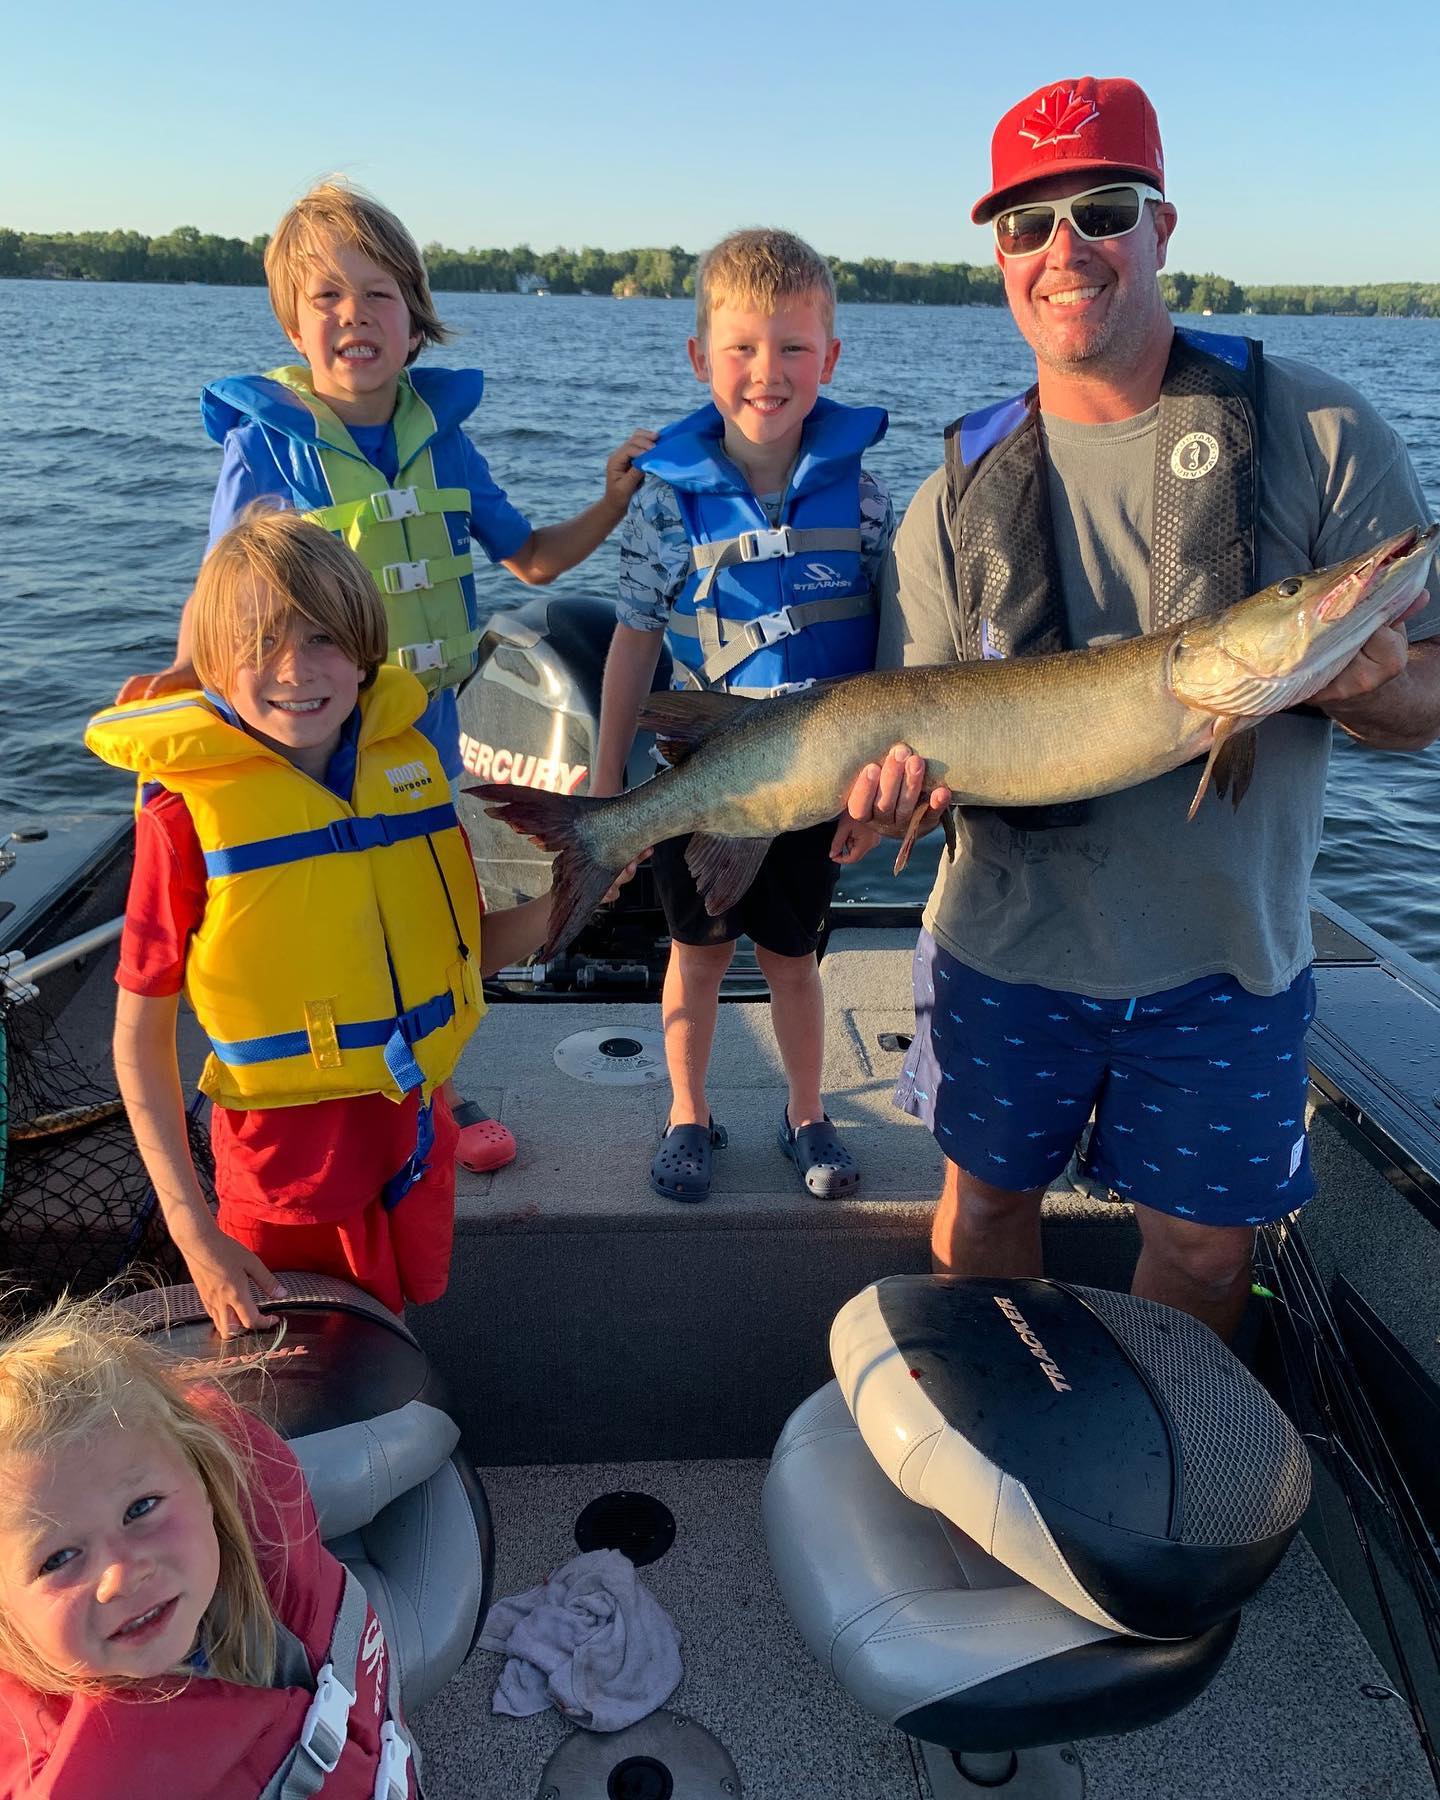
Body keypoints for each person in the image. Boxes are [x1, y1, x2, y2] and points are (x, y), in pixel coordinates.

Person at [834, 76, 1440, 1338]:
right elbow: (911, 725)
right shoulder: (954, 494)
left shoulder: (1322, 430)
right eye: (1027, 225)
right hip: (1006, 947)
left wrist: (1380, 694)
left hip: (1226, 957)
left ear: (1164, 227)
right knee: (987, 1208)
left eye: (1103, 211)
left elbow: (1427, 693)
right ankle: (997, 1445)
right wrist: (886, 792)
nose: (1066, 252)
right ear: (998, 256)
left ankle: (1169, 1468)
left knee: (1210, 1258)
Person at [116, 179, 655, 1175]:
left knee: (434, 916)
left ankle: (438, 1089)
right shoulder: (264, 443)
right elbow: (223, 594)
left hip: (428, 728)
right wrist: (183, 676)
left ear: (415, 322)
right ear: (293, 320)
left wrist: (612, 500)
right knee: (340, 920)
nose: (352, 317)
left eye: (376, 296)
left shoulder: (439, 436)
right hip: (315, 736)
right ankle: (329, 1098)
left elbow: (530, 561)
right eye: (326, 298)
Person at [89, 508, 559, 1336]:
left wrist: (574, 897)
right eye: (260, 644)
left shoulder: (409, 776)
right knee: (289, 1372)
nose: (294, 670)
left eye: (322, 640)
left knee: (389, 1331)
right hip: (287, 1175)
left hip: (415, 1133)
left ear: (365, 649)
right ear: (211, 662)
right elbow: (137, 1038)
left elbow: (466, 951)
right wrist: (194, 1235)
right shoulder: (184, 819)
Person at [591, 228, 896, 1204]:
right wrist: (605, 782)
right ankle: (687, 1113)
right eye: (743, 349)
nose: (769, 373)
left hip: (819, 783)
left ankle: (808, 1113)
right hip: (708, 775)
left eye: (794, 349)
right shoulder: (663, 507)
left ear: (831, 359)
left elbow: (897, 655)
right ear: (699, 360)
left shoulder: (870, 500)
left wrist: (876, 789)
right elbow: (634, 640)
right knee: (697, 953)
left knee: (794, 961)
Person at [0, 1294, 416, 1798]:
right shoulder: (65, 1780)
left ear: (206, 1482)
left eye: (141, 1508)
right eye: (59, 1558)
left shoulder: (264, 1571)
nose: (123, 1574)